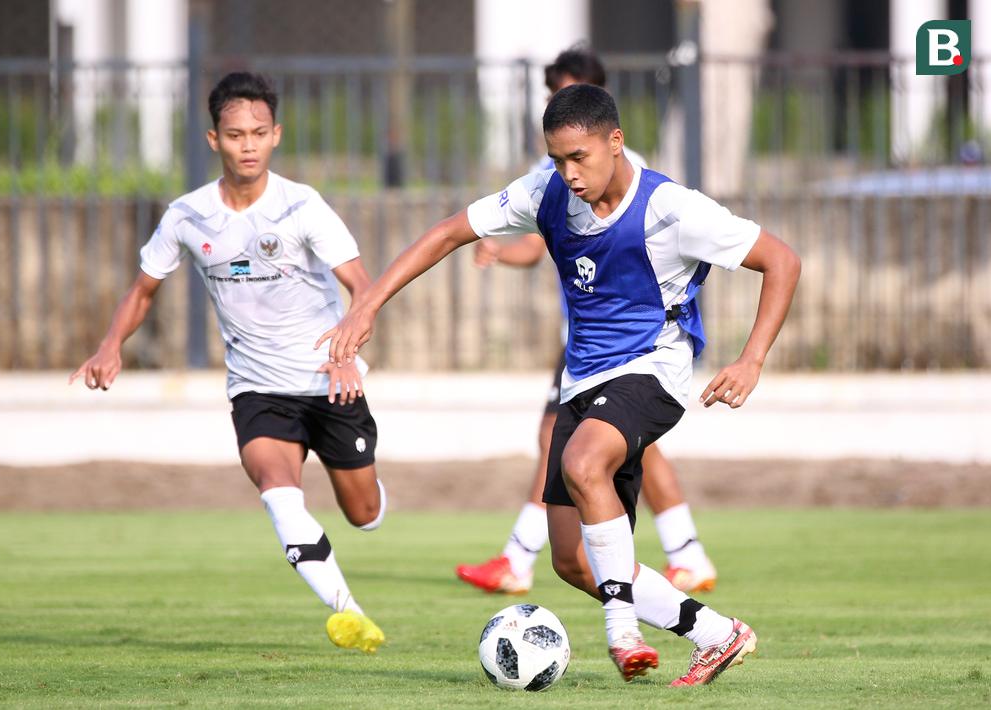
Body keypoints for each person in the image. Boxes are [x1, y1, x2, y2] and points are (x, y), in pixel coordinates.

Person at [318, 84, 800, 685]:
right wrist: (367, 306)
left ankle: (622, 634)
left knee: (582, 459)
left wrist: (751, 360)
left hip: (656, 367)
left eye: (581, 158)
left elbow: (782, 260)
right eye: (557, 159)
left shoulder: (672, 209)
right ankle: (718, 635)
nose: (569, 173)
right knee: (573, 560)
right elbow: (447, 233)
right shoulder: (545, 192)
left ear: (615, 142)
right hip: (584, 377)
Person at [71, 72, 386, 653]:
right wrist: (110, 343)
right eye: (235, 134)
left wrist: (346, 351)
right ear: (214, 139)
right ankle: (348, 612)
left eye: (259, 133)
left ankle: (365, 498)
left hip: (327, 379)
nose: (248, 145)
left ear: (276, 136)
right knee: (277, 489)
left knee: (364, 513)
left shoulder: (303, 206)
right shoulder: (187, 217)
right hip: (257, 389)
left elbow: (363, 287)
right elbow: (142, 291)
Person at [458, 48, 716, 597]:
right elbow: (538, 242)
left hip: (632, 347)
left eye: (563, 92)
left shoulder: (632, 180)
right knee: (603, 449)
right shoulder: (559, 175)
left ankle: (522, 559)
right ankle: (685, 552)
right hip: (586, 347)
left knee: (567, 442)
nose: (552, 106)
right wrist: (502, 252)